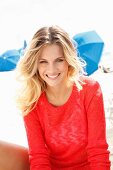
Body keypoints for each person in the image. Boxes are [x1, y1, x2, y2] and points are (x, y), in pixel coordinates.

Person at [16, 25, 111, 170]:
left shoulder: (90, 90)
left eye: (59, 60)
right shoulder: (31, 99)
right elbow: (38, 157)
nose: (52, 69)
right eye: (43, 62)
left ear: (68, 59)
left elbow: (98, 152)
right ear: (35, 64)